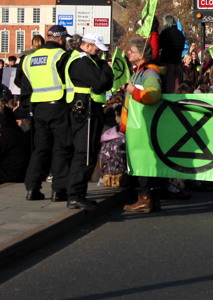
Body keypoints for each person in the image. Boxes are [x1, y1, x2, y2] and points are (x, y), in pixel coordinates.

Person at [19, 25, 72, 202]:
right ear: (60, 38)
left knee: (40, 148)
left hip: (38, 108)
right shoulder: (62, 55)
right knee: (60, 148)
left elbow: (23, 84)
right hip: (58, 105)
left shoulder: (29, 58)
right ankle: (58, 190)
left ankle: (32, 188)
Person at [63, 32, 114, 210]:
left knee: (89, 153)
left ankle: (79, 193)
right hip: (85, 111)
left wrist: (102, 68)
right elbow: (101, 82)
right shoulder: (81, 61)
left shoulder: (86, 60)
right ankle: (75, 195)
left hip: (89, 110)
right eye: (97, 50)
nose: (99, 54)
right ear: (87, 45)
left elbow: (104, 83)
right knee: (84, 154)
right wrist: (105, 67)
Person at [122, 37, 164, 213]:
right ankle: (150, 199)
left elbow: (153, 95)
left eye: (131, 50)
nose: (128, 53)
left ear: (141, 52)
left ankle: (145, 199)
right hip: (136, 125)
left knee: (142, 161)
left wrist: (134, 91)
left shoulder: (149, 73)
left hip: (143, 127)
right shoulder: (138, 71)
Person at [158, 14, 186, 94]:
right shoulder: (180, 33)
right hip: (177, 61)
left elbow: (160, 45)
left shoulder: (165, 32)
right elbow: (182, 46)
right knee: (177, 82)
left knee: (168, 82)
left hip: (166, 61)